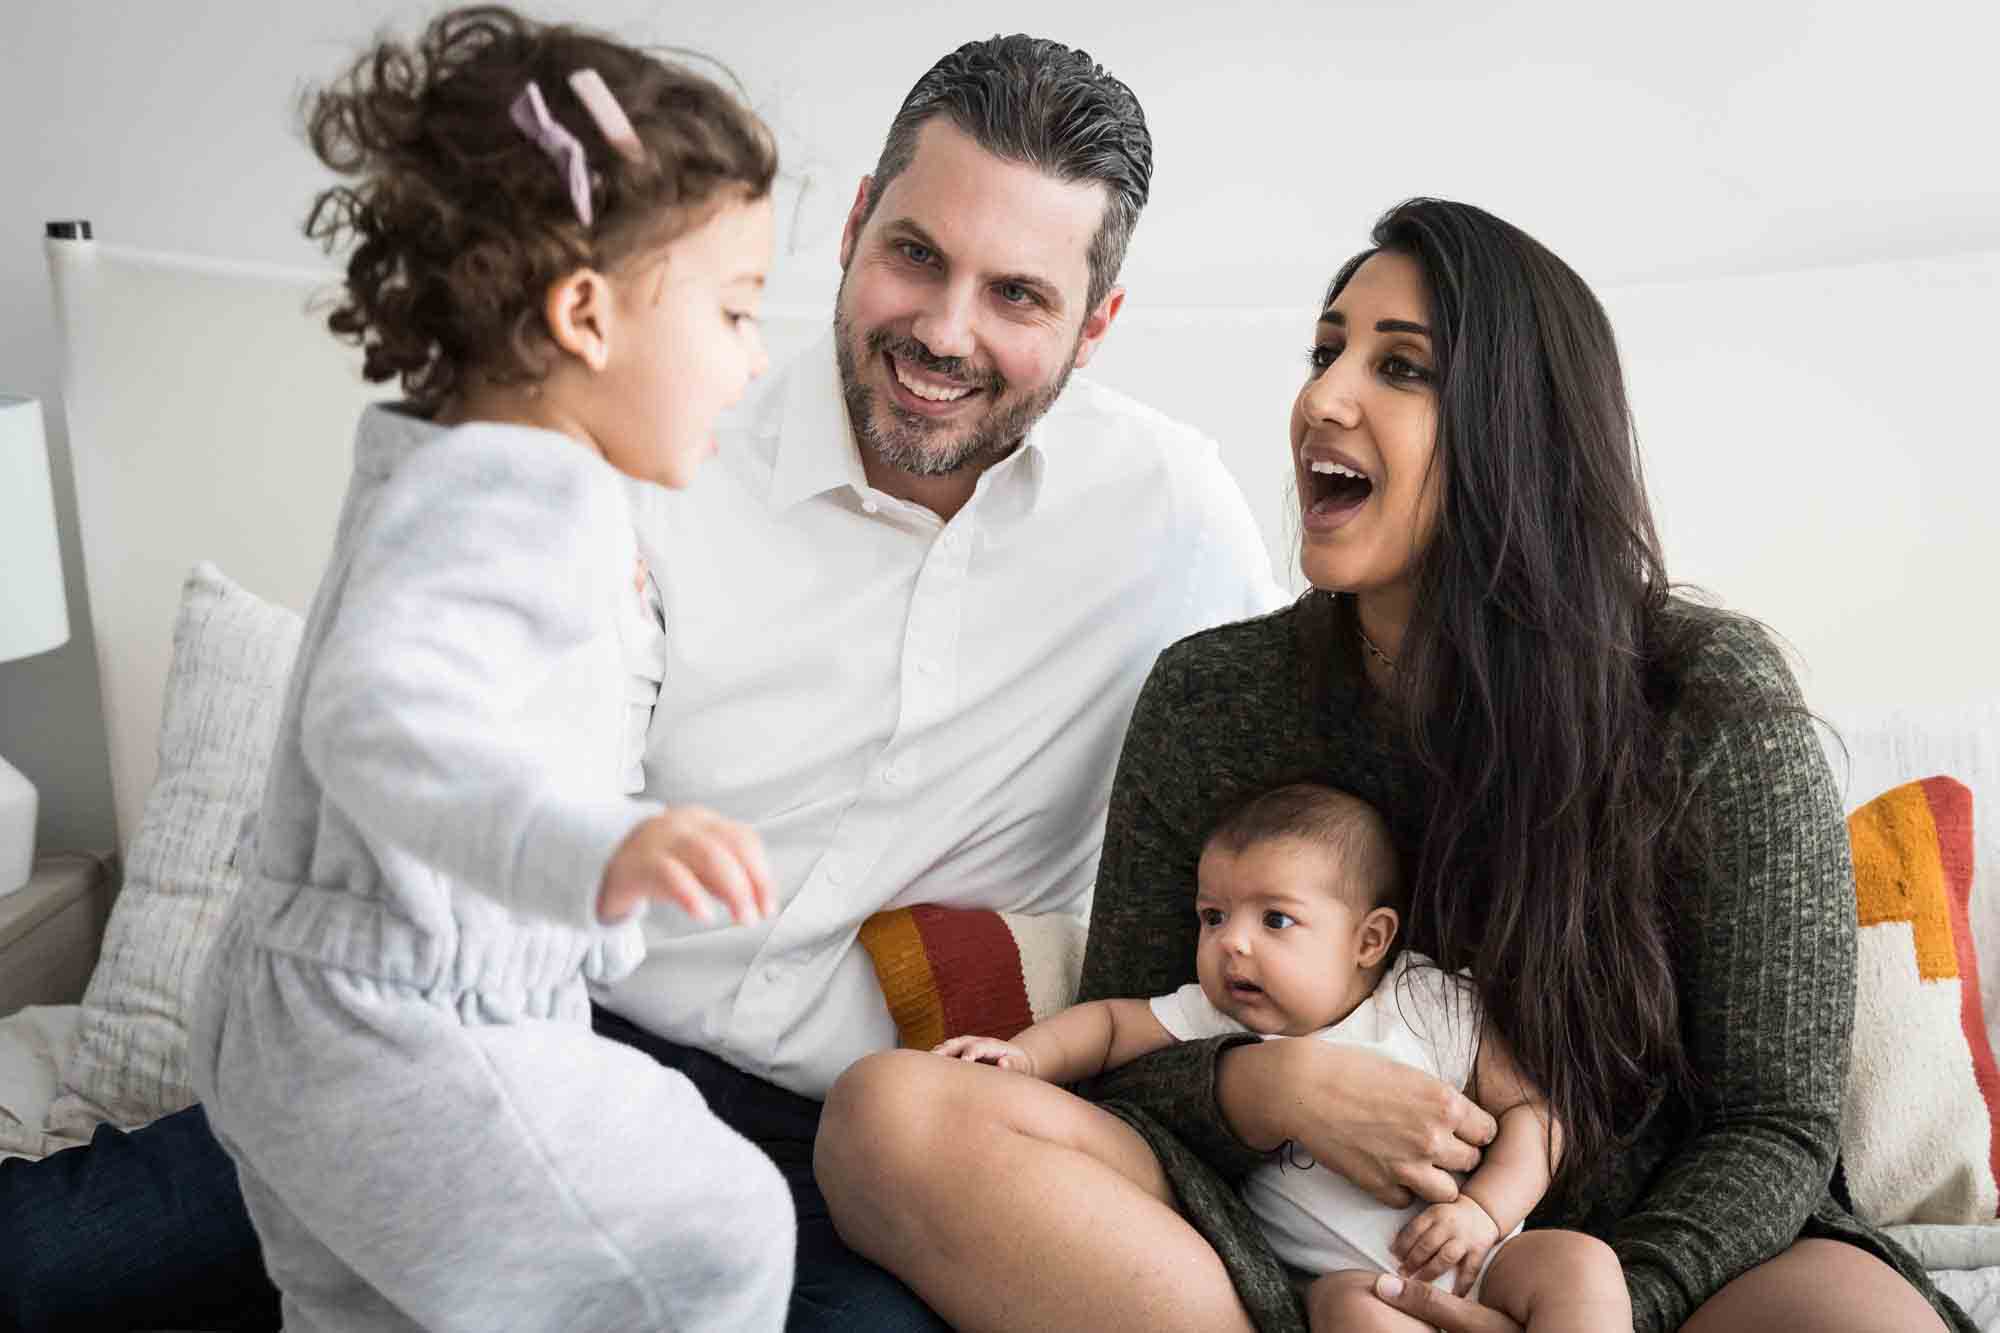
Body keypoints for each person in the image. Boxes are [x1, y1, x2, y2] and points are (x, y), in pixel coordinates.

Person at [0, 29, 1294, 1333]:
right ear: (852, 226)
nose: (944, 332)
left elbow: (1328, 784)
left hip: (859, 1150)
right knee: (55, 1262)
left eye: (1018, 295)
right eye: (916, 254)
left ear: (1096, 325)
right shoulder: (636, 435)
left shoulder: (1168, 516)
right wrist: (588, 852)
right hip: (544, 1042)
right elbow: (442, 732)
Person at [817, 197, 1978, 1333]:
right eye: (1324, 351)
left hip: (1652, 1266)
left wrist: (1616, 1300)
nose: (1322, 398)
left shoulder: (1705, 701)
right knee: (887, 1117)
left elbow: (1773, 1125)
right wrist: (1261, 1090)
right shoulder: (1209, 699)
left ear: (1517, 428)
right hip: (1294, 1272)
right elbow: (1122, 1060)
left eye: (1400, 368)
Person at [184, 8, 797, 1331]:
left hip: (298, 1013)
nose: (755, 361)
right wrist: (590, 849)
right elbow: (377, 716)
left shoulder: (434, 458)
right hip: (407, 1024)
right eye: (738, 312)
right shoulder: (532, 491)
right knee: (723, 1231)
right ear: (584, 313)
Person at [931, 782, 1630, 1331]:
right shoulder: (1217, 1020)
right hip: (1359, 1289)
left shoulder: (1426, 998)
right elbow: (1112, 1025)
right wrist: (1023, 1058)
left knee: (1582, 1264)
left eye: (1275, 919)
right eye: (1213, 916)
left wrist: (1482, 1210)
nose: (1233, 943)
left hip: (1488, 1257)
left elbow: (1535, 1115)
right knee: (1343, 1308)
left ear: (1368, 939)